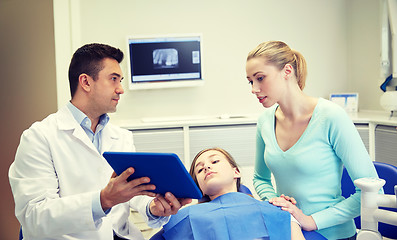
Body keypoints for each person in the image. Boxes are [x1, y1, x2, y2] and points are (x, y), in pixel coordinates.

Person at [8, 43, 191, 240]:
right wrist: (102, 201)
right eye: (113, 79)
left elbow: (132, 196)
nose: (121, 89)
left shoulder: (122, 137)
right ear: (85, 82)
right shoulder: (38, 137)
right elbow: (34, 216)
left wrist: (153, 208)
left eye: (120, 80)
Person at [245, 40, 379, 240]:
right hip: (290, 231)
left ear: (287, 71)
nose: (254, 89)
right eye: (250, 81)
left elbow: (372, 191)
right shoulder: (265, 121)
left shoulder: (331, 116)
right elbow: (260, 178)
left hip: (333, 234)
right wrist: (275, 201)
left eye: (260, 78)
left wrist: (311, 220)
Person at [161, 147, 307, 240]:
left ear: (235, 172)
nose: (206, 166)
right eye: (199, 170)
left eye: (215, 161)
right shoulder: (183, 218)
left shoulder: (279, 209)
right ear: (199, 188)